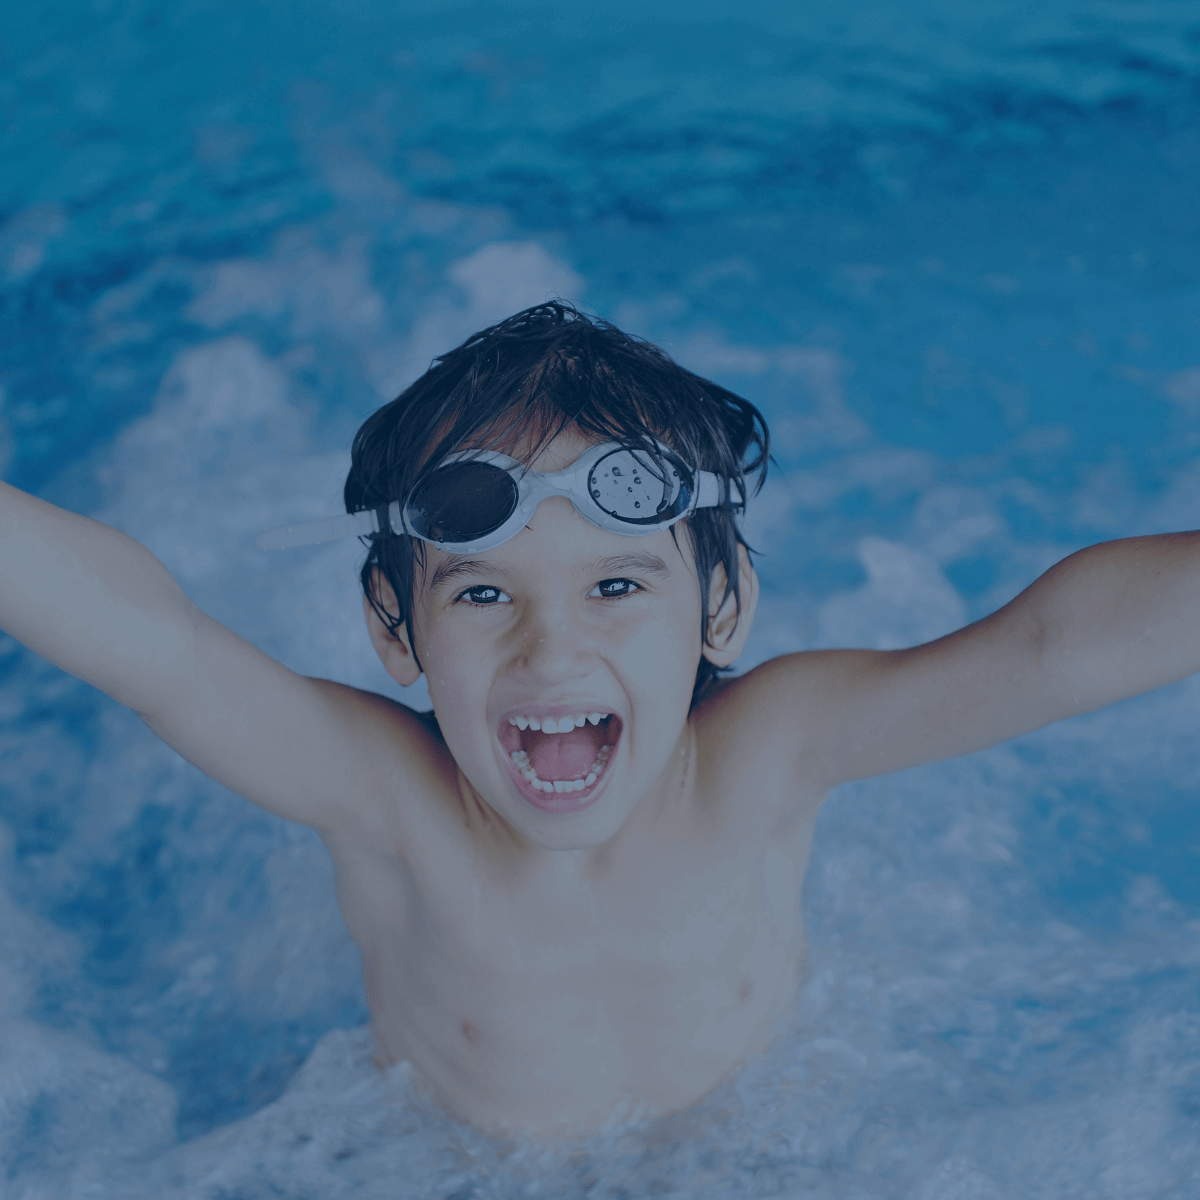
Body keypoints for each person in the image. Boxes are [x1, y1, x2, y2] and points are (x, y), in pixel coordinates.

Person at [2, 300, 1197, 1135]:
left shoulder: (769, 752)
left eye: (617, 586)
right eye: (482, 594)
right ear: (393, 627)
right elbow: (158, 648)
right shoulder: (384, 799)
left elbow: (1050, 648)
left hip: (747, 1152)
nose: (552, 646)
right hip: (450, 1169)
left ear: (720, 609)